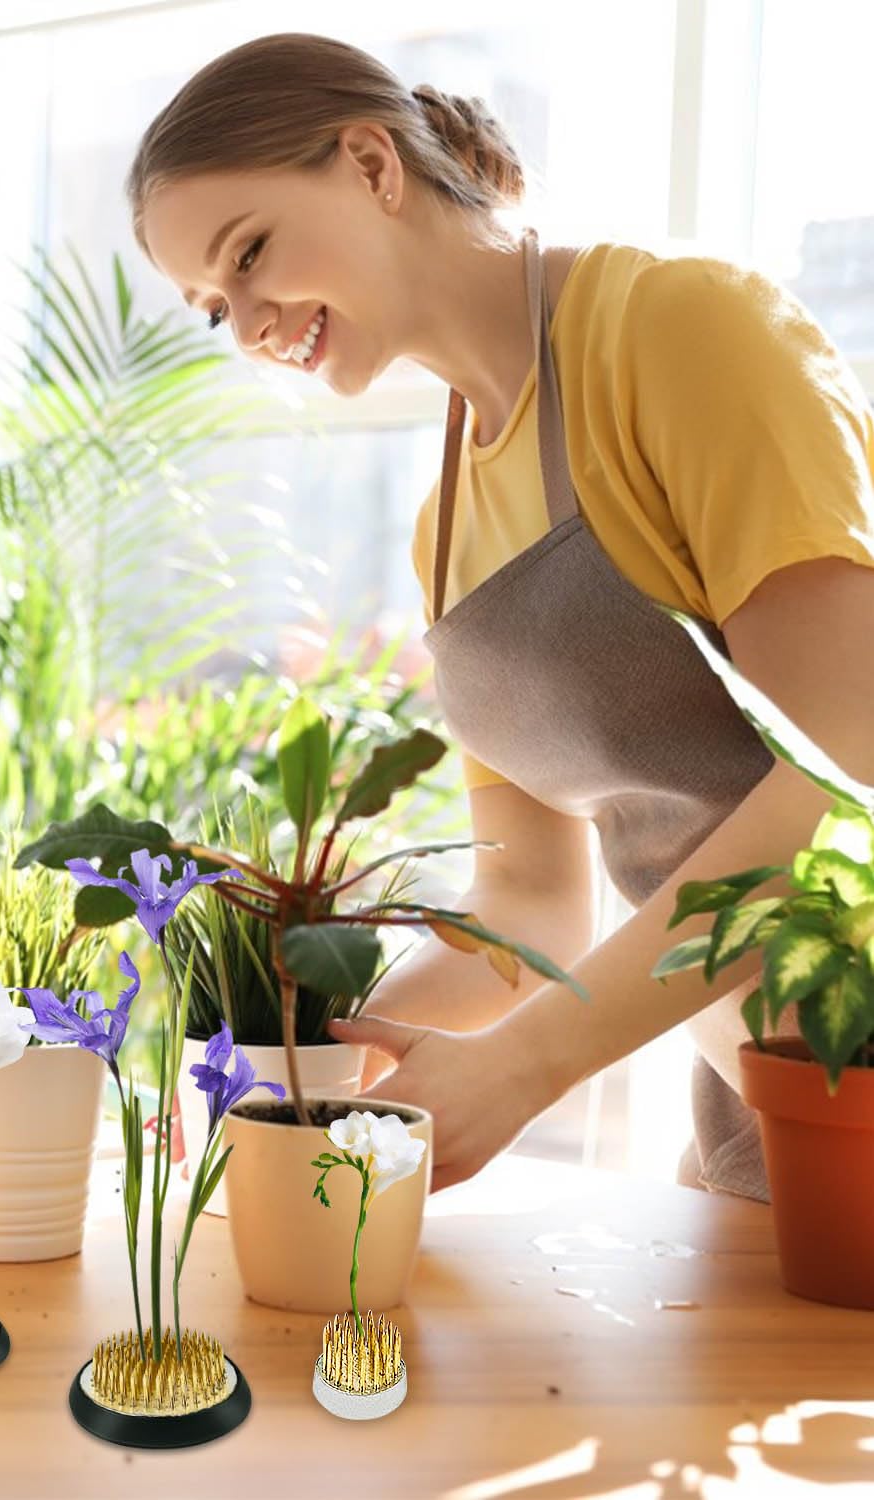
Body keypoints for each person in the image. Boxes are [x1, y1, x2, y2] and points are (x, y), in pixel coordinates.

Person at [128, 33, 874, 1198]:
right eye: (216, 308)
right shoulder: (444, 520)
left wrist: (524, 1070)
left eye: (252, 252)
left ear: (372, 163)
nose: (253, 321)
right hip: (757, 1116)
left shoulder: (680, 329)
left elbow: (847, 768)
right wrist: (299, 1066)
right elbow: (532, 906)